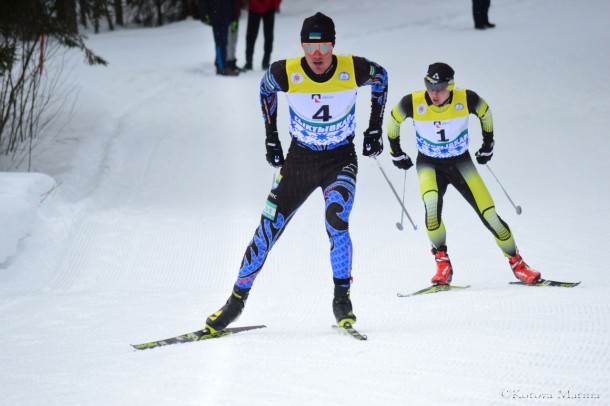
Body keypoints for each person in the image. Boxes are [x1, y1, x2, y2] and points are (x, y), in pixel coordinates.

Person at [205, 12, 389, 332]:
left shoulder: (353, 68)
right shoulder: (285, 72)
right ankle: (234, 303)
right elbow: (265, 90)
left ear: (333, 45)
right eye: (309, 45)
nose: (317, 54)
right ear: (302, 45)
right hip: (299, 161)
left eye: (324, 45)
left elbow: (381, 78)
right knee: (267, 229)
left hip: (339, 160)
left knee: (336, 220)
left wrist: (375, 129)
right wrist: (271, 136)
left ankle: (341, 299)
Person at [385, 62, 541, 286]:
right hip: (429, 164)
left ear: (451, 86)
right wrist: (396, 152)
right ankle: (443, 264)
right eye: (430, 86)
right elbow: (393, 120)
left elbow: (485, 113)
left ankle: (518, 264)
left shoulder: (466, 98)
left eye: (440, 87)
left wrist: (488, 144)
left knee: (490, 216)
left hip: (460, 163)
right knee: (431, 207)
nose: (434, 93)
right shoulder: (413, 102)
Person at [199, 0, 240, 76]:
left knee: (224, 42)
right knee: (220, 43)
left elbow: (233, 3)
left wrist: (234, 18)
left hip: (226, 16)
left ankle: (221, 64)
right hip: (216, 16)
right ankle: (221, 67)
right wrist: (204, 14)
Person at [242, 0, 282, 71]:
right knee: (251, 36)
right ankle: (249, 62)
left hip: (268, 7)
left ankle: (265, 61)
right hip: (255, 7)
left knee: (267, 36)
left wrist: (275, 4)